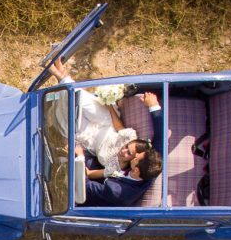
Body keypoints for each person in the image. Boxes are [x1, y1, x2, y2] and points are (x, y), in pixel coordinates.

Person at [49, 57, 164, 206]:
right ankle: (63, 77)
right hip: (105, 129)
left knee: (68, 118)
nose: (132, 155)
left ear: (135, 170)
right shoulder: (152, 163)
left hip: (87, 166)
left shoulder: (116, 191)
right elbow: (161, 140)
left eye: (134, 158)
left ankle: (62, 80)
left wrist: (78, 158)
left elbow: (83, 185)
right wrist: (153, 107)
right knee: (87, 104)